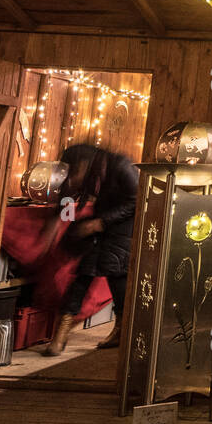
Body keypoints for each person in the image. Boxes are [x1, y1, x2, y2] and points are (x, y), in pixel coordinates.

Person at [46, 144, 137, 356]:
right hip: (100, 220)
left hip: (124, 224)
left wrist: (100, 223)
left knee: (115, 273)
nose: (73, 174)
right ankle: (61, 333)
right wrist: (56, 220)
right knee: (83, 271)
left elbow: (136, 200)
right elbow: (67, 193)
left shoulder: (121, 165)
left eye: (75, 169)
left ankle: (121, 329)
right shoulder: (90, 171)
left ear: (85, 163)